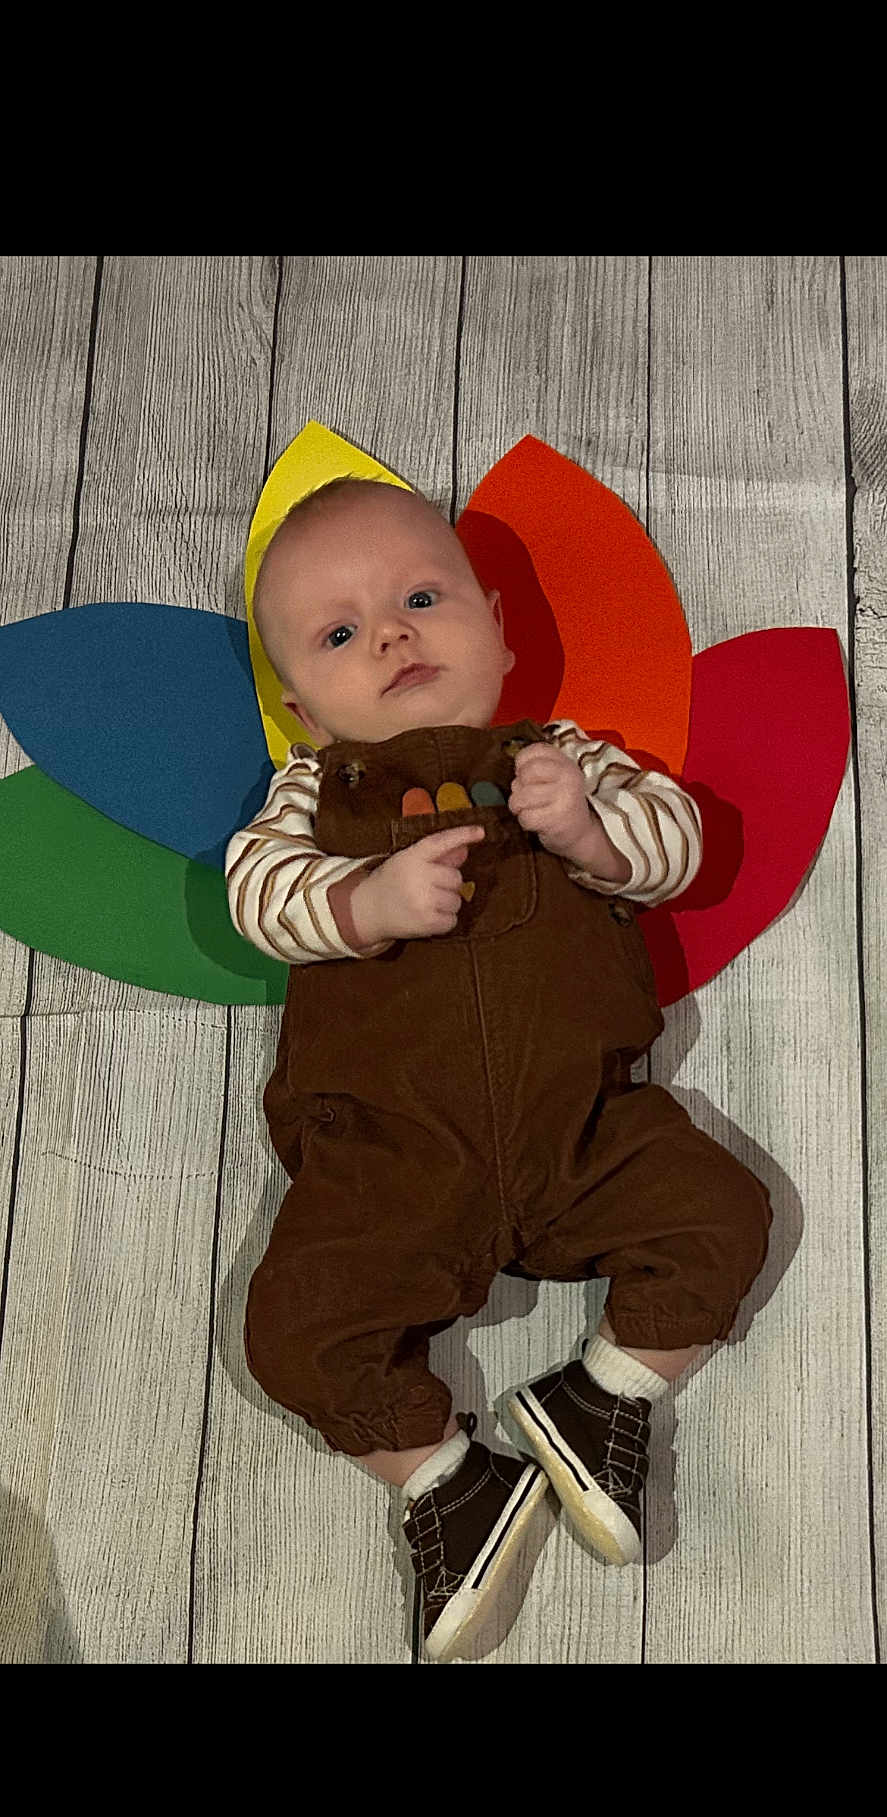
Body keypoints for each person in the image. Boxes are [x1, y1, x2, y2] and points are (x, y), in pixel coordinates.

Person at [225, 475, 773, 1661]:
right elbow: (257, 900)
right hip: (392, 1161)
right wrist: (362, 899)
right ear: (305, 713)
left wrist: (583, 830)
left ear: (498, 627)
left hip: (580, 1131)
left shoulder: (560, 761)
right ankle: (447, 1481)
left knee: (722, 1210)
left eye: (421, 596)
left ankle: (604, 1395)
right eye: (339, 633)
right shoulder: (311, 799)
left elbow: (671, 846)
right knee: (293, 1330)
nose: (391, 634)